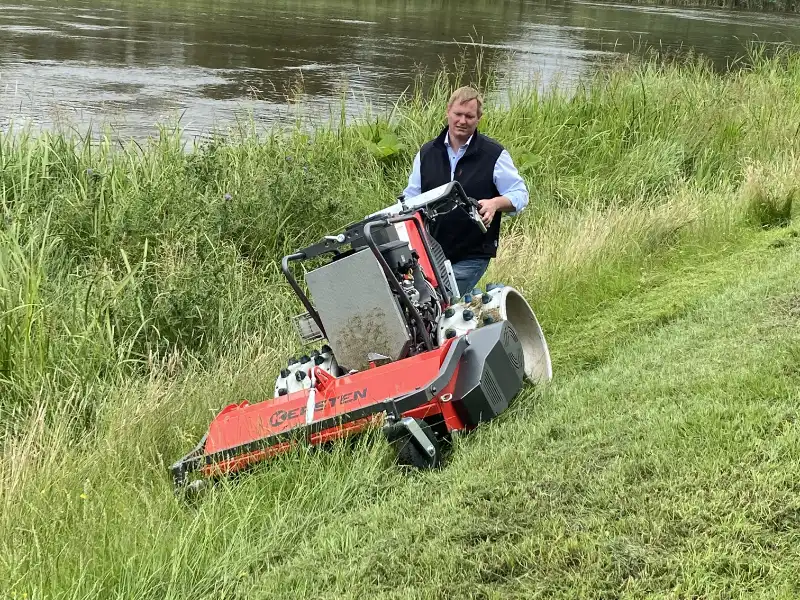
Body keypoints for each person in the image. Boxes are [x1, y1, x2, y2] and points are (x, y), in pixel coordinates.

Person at [402, 86, 529, 297]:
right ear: (447, 112)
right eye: (458, 114)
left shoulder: (494, 154)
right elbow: (411, 197)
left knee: (443, 300)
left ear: (479, 118)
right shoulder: (426, 153)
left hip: (473, 253)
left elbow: (520, 194)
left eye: (469, 116)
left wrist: (495, 203)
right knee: (425, 305)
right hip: (430, 251)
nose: (462, 121)